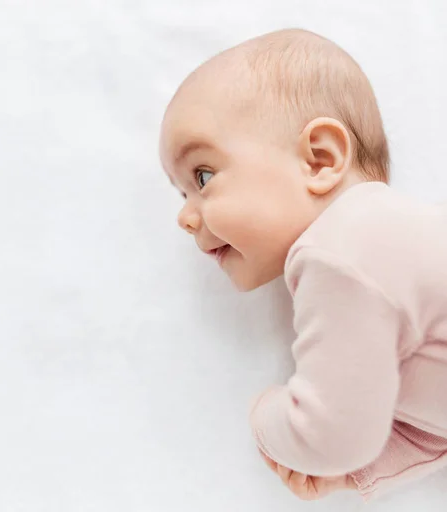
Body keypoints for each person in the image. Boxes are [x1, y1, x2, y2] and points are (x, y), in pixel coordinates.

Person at [158, 28, 447, 501]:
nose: (185, 218)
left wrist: (267, 416)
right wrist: (358, 468)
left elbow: (330, 433)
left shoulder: (342, 251)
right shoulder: (377, 264)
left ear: (318, 160)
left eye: (203, 176)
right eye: (183, 192)